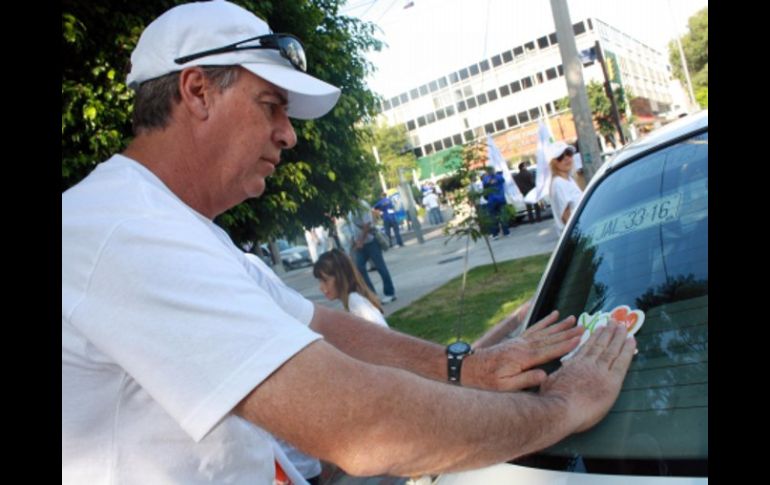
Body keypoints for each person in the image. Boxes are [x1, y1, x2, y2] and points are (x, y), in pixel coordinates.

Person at [62, 2, 636, 483]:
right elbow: (365, 428)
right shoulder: (124, 230)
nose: (287, 134)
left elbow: (317, 324)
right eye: (272, 106)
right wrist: (560, 409)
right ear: (198, 92)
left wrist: (470, 368)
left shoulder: (174, 226)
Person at [314, 248, 388, 327]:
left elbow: (380, 329)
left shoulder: (355, 301)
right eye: (320, 281)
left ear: (341, 278)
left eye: (325, 280)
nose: (321, 287)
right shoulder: (352, 300)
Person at [348, 198, 397, 304]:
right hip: (359, 243)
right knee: (359, 268)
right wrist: (353, 241)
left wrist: (360, 240)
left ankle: (390, 293)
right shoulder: (350, 208)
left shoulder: (362, 205)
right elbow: (353, 226)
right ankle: (372, 294)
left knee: (380, 267)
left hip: (370, 241)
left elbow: (367, 225)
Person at [546, 141, 584, 234]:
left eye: (569, 153)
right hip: (576, 236)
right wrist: (580, 235)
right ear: (553, 162)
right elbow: (566, 216)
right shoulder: (558, 183)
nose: (566, 158)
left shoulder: (569, 179)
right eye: (560, 157)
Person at [481, 166, 510, 238]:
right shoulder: (499, 177)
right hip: (501, 199)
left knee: (493, 217)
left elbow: (485, 189)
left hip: (492, 200)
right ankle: (506, 232)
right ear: (494, 170)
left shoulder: (485, 179)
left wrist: (487, 198)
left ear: (487, 172)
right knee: (503, 216)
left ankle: (495, 234)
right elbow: (503, 181)